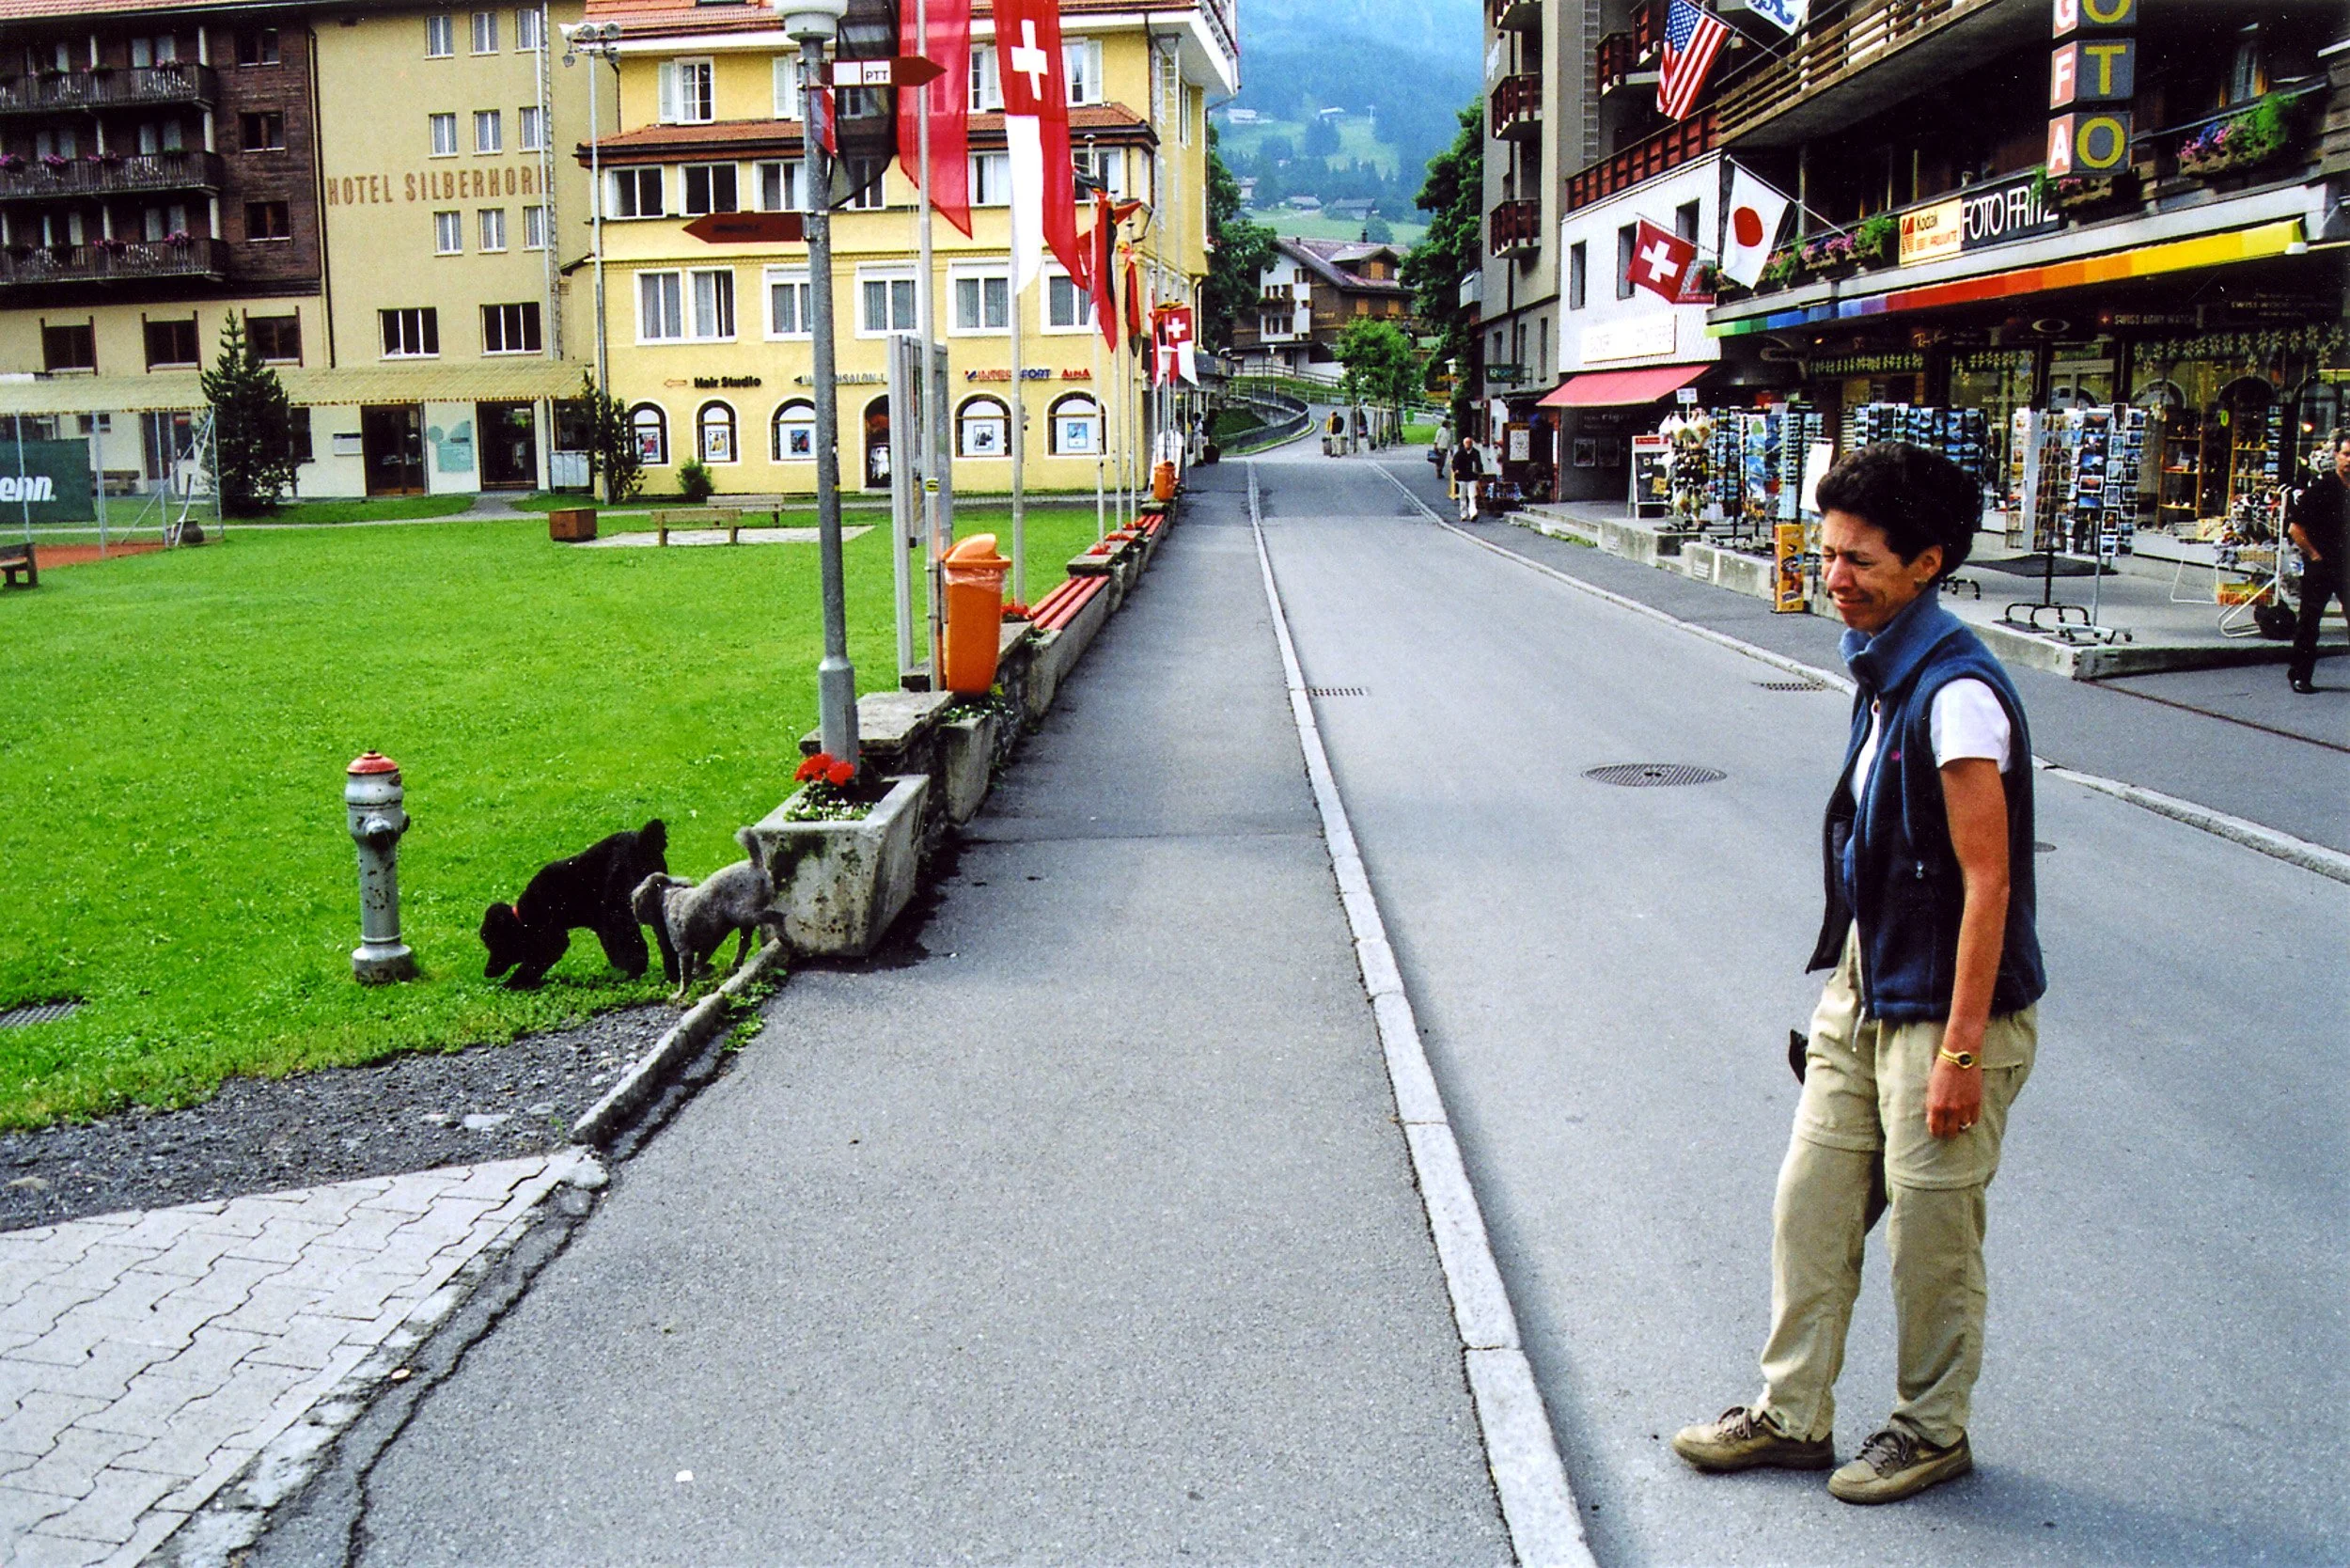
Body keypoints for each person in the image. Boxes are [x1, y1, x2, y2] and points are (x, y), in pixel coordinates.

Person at [1671, 443, 2045, 1506]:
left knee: (1931, 1238)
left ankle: (1930, 1431)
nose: (1830, 575)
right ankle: (1791, 1414)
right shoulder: (1883, 666)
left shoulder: (1955, 693)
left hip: (1947, 1007)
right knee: (1812, 1203)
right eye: (1828, 553)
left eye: (1857, 560)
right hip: (1867, 980)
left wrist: (1960, 1052)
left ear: (1927, 563)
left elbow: (1988, 884)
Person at [2284, 431, 2348, 694]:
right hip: (2321, 565)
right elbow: (2295, 529)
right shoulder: (2322, 488)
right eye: (2346, 454)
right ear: (2337, 456)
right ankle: (2300, 675)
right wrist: (2314, 555)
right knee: (2310, 622)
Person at [1449, 435, 1482, 522]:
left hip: (1472, 477)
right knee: (1462, 496)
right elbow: (1454, 464)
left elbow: (1479, 464)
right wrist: (1456, 470)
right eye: (1466, 443)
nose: (1468, 444)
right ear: (1464, 444)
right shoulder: (1459, 453)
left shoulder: (1475, 453)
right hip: (1462, 478)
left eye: (1469, 443)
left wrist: (1479, 472)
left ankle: (1473, 513)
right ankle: (1463, 514)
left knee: (1472, 496)